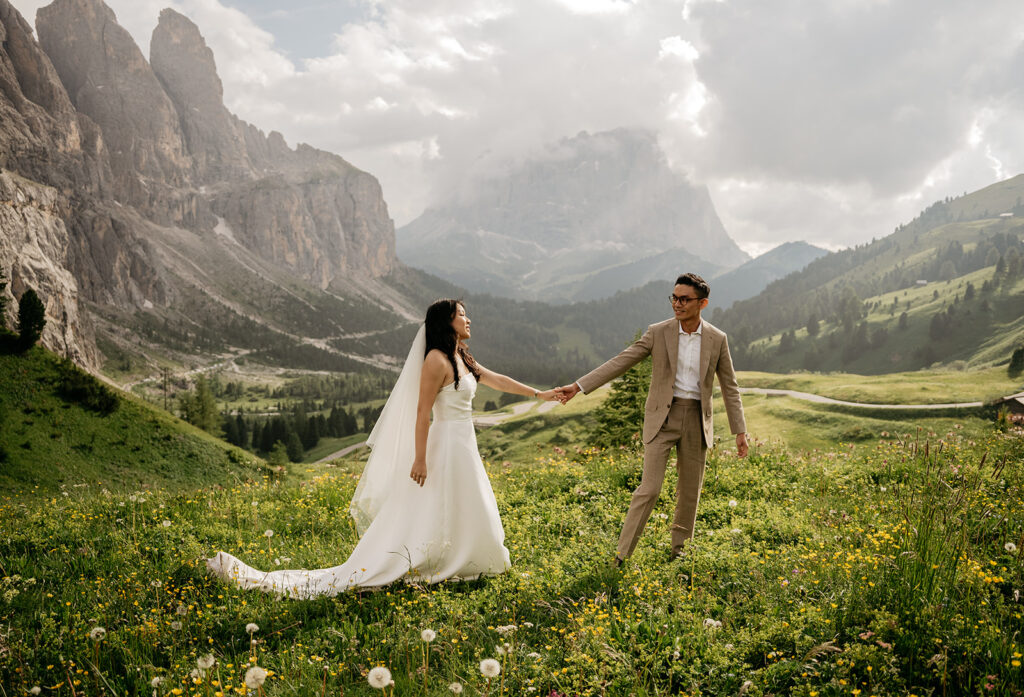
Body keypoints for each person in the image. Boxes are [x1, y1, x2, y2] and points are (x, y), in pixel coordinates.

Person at [207, 298, 559, 598]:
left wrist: (539, 393)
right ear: (446, 322)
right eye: (462, 315)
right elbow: (422, 414)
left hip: (464, 443)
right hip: (446, 444)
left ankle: (469, 557)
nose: (469, 320)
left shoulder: (461, 355)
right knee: (439, 502)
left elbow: (495, 378)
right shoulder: (436, 359)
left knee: (469, 500)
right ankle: (432, 558)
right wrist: (420, 459)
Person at [556, 273, 748, 565]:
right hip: (662, 419)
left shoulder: (717, 339)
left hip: (697, 421)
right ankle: (620, 556)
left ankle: (680, 557)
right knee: (650, 489)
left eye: (684, 299)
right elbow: (622, 360)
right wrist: (579, 386)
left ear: (702, 303)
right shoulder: (658, 332)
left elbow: (730, 386)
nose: (677, 303)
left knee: (689, 495)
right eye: (674, 297)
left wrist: (740, 431)